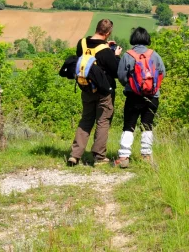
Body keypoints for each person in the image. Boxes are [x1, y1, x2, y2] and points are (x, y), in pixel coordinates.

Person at [68, 19, 122, 167]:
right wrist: (115, 55)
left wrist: (106, 46)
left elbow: (86, 58)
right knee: (103, 121)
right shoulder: (105, 51)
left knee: (85, 120)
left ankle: (75, 155)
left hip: (86, 87)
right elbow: (116, 71)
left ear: (97, 28)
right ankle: (99, 156)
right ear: (108, 33)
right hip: (104, 91)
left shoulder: (82, 43)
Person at [115, 27, 166, 168]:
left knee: (129, 126)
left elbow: (121, 76)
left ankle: (124, 157)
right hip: (152, 97)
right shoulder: (154, 55)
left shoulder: (127, 55)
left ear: (133, 39)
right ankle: (146, 156)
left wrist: (130, 85)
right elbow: (163, 73)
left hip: (133, 96)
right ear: (147, 38)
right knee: (147, 126)